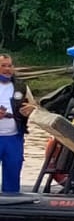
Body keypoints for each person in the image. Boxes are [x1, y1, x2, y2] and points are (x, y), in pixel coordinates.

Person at [0, 53, 35, 194]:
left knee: (13, 170)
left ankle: (11, 202)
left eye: (10, 65)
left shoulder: (21, 86)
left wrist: (30, 109)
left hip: (14, 138)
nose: (7, 69)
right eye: (3, 66)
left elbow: (33, 106)